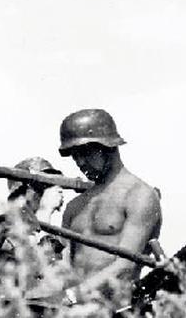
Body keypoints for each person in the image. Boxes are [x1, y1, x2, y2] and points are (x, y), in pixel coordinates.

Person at [58, 109, 162, 305]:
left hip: (116, 315)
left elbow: (125, 266)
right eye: (74, 155)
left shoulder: (139, 196)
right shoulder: (75, 206)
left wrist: (72, 296)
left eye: (84, 152)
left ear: (108, 146)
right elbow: (63, 264)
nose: (79, 162)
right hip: (73, 315)